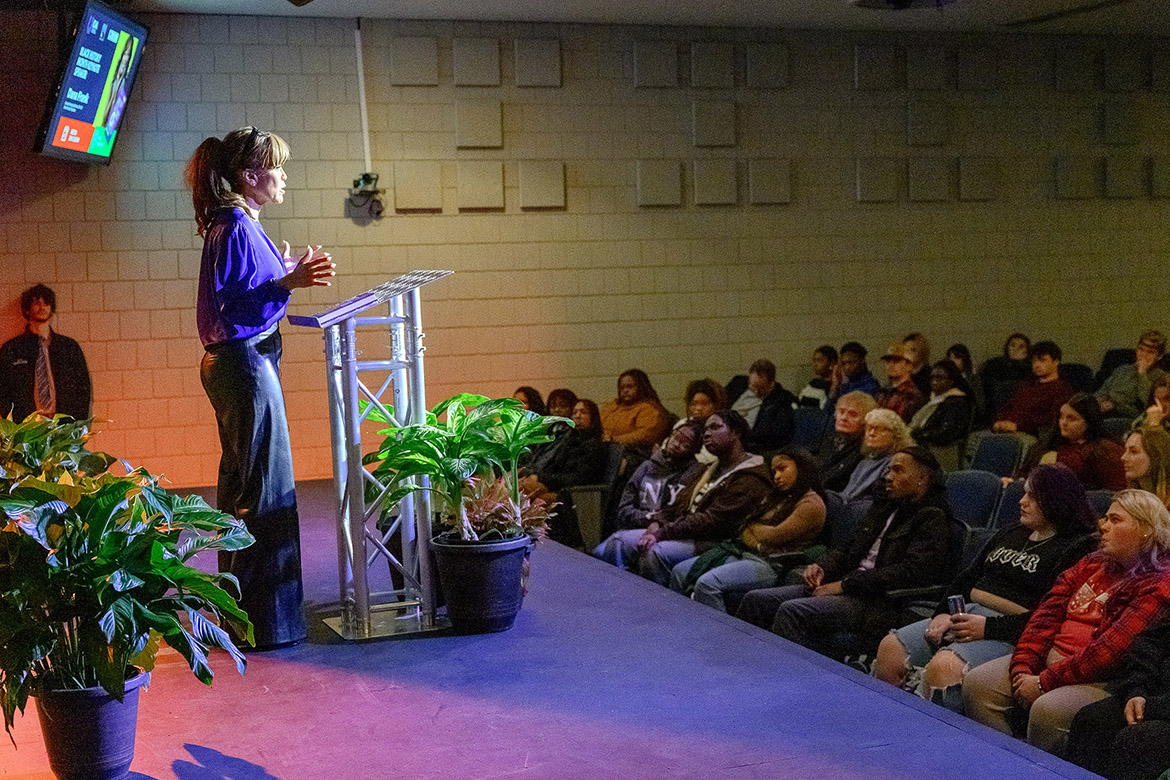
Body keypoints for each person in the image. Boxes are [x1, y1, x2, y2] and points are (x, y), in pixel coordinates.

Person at [186, 126, 335, 648]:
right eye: (276, 167)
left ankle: (246, 615)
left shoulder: (242, 224)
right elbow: (236, 307)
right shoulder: (235, 226)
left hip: (242, 364)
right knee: (262, 492)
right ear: (249, 177)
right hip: (244, 364)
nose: (284, 176)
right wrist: (287, 284)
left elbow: (245, 290)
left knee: (244, 487)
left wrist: (284, 272)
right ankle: (265, 622)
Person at [873, 464, 1097, 712]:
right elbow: (967, 578)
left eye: (1032, 496)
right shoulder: (1013, 532)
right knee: (890, 648)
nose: (1022, 502)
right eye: (1024, 493)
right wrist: (942, 613)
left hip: (1011, 631)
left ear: (1056, 500)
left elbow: (1051, 616)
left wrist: (988, 628)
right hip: (966, 615)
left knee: (945, 668)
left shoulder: (1076, 548)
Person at [963, 489, 1170, 757]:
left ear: (1146, 530)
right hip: (1047, 663)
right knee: (979, 684)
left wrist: (1043, 682)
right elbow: (1044, 616)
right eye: (1105, 518)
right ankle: (1002, 762)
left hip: (1099, 677)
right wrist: (1023, 668)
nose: (1103, 526)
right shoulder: (1092, 563)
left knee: (1048, 710)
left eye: (1116, 520)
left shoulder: (1158, 583)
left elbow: (1110, 653)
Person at [736, 447, 952, 657]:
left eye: (898, 470)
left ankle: (784, 684)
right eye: (888, 470)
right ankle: (739, 669)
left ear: (922, 479)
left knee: (792, 611)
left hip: (876, 602)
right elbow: (848, 548)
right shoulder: (884, 507)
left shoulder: (932, 518)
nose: (888, 476)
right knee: (756, 600)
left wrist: (844, 585)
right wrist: (821, 567)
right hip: (848, 587)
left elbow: (910, 573)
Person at [595, 411, 772, 585]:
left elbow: (712, 521)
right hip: (686, 532)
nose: (707, 434)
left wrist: (661, 533)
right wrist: (657, 522)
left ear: (736, 432)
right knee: (619, 541)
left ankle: (656, 606)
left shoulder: (750, 477)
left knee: (653, 552)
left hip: (713, 541)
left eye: (715, 427)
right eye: (705, 431)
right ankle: (615, 594)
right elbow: (680, 503)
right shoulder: (711, 468)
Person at [669, 448, 827, 612]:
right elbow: (743, 526)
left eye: (782, 468)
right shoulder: (776, 496)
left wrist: (753, 529)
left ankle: (715, 636)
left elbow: (773, 536)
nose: (777, 477)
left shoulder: (812, 504)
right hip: (744, 553)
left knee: (707, 584)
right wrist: (756, 540)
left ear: (801, 467)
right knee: (679, 572)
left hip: (772, 564)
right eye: (774, 472)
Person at [1066, 615, 1170, 780]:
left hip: (1163, 708)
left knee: (1139, 742)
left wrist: (1151, 706)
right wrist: (1137, 691)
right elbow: (1150, 645)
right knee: (1093, 720)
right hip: (1153, 694)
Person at [520, 399, 607, 546]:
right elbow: (555, 467)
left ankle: (530, 538)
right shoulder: (569, 442)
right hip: (557, 485)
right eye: (574, 412)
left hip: (574, 493)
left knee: (530, 494)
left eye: (583, 412)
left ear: (593, 417)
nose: (577, 416)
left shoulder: (595, 446)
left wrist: (543, 479)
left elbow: (580, 478)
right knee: (520, 486)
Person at [0, 284, 92, 423]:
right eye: (36, 302)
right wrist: (14, 424)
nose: (42, 306)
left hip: (64, 424)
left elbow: (83, 388)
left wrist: (77, 423)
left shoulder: (69, 347)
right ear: (26, 309)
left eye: (46, 302)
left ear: (52, 308)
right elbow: (3, 390)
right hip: (27, 427)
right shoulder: (12, 349)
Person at [1015, 393, 1126, 491]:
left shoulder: (1104, 450)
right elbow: (1023, 474)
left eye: (1072, 418)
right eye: (1061, 417)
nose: (1063, 422)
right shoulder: (1046, 445)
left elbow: (1116, 491)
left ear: (1088, 422)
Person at [607, 421, 706, 532]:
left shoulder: (693, 473)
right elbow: (623, 509)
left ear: (694, 450)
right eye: (676, 437)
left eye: (685, 444)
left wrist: (657, 521)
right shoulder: (647, 466)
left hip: (666, 531)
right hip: (635, 525)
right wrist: (648, 517)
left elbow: (679, 512)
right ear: (670, 436)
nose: (677, 444)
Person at [992, 341, 1074, 438]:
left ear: (1055, 362)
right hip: (1005, 431)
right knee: (975, 439)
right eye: (1034, 361)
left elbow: (1051, 421)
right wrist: (999, 422)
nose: (1037, 365)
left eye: (1042, 361)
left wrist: (1017, 426)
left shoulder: (1062, 389)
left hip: (1032, 435)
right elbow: (1007, 408)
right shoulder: (1026, 386)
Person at [840, 408, 913, 503]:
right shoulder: (865, 460)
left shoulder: (893, 464)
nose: (872, 433)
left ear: (896, 435)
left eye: (880, 429)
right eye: (869, 428)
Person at [730, 359, 797, 454]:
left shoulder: (781, 403)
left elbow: (774, 437)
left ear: (772, 384)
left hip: (757, 448)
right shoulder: (738, 385)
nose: (756, 393)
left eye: (761, 389)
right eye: (752, 387)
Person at [1098, 331, 1169, 420]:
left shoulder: (1162, 377)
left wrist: (1142, 373)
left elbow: (1148, 403)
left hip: (1128, 417)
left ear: (1159, 356)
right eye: (1141, 349)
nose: (1143, 355)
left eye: (1150, 352)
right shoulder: (1123, 370)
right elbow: (1102, 391)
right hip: (1103, 410)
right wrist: (1101, 402)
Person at [600, 368, 671, 455]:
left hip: (634, 455)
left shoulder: (650, 408)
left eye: (630, 386)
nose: (625, 390)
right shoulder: (612, 406)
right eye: (622, 387)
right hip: (606, 449)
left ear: (641, 387)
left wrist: (612, 439)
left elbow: (644, 436)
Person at [819, 391, 877, 492]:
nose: (844, 418)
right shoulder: (830, 439)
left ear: (866, 421)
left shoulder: (865, 451)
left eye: (853, 414)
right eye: (841, 412)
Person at [908, 360, 973, 451]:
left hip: (940, 451)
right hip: (923, 444)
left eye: (939, 378)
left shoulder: (955, 403)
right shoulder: (935, 399)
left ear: (951, 381)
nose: (934, 382)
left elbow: (945, 433)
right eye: (932, 378)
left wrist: (916, 435)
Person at [980, 333, 1032, 417]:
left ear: (1027, 351)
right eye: (1013, 345)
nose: (1016, 349)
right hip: (995, 405)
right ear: (1007, 347)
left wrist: (1019, 364)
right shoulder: (994, 363)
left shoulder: (1030, 368)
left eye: (1021, 347)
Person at [876, 342, 926, 423]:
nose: (890, 365)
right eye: (888, 361)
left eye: (896, 361)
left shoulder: (912, 395)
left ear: (909, 366)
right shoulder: (883, 392)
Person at [1122, 428, 1170, 508]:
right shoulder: (1130, 497)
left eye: (1133, 451)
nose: (1123, 457)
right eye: (1125, 451)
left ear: (1155, 457)